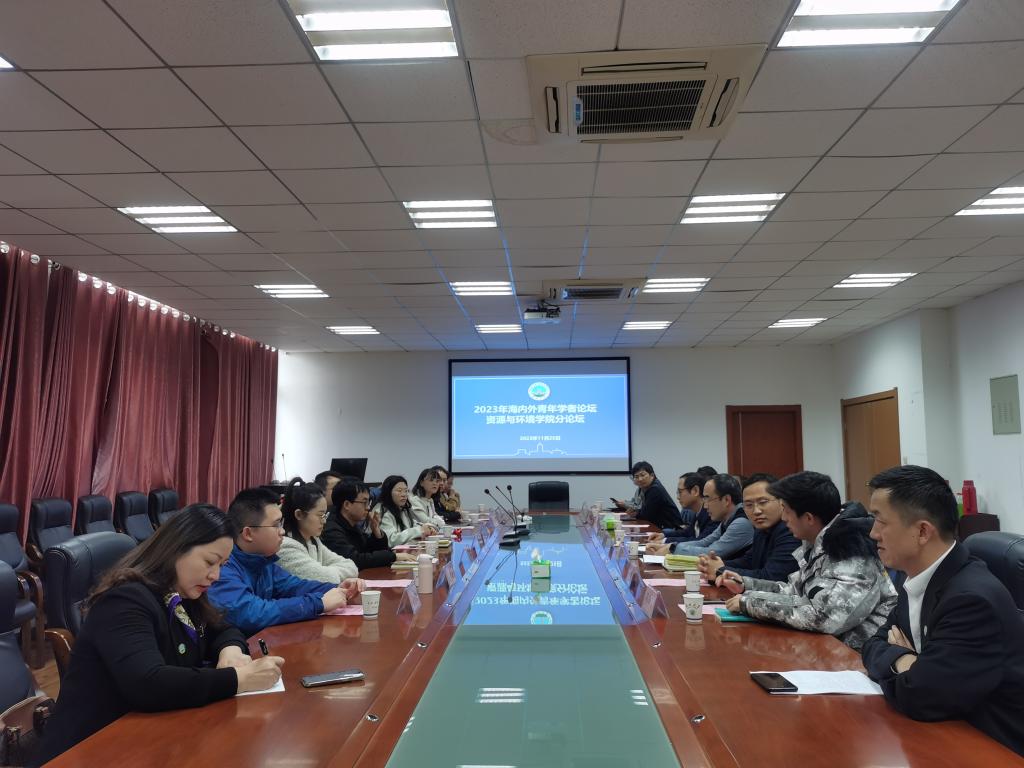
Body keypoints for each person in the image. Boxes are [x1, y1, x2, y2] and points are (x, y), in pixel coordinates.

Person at [35, 505, 285, 765]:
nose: (215, 575)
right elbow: (148, 683)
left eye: (222, 565)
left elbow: (223, 628)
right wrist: (238, 679)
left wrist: (229, 650)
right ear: (177, 548)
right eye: (210, 562)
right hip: (90, 749)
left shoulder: (183, 591)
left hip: (149, 737)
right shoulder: (124, 601)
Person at [862, 465, 1024, 756]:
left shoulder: (971, 601)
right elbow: (872, 644)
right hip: (944, 734)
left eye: (880, 521)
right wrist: (905, 661)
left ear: (922, 531)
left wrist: (911, 667)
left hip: (992, 749)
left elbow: (920, 695)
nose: (873, 533)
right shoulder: (920, 578)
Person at [720, 471, 896, 651]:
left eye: (786, 511)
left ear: (809, 518)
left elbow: (824, 618)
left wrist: (750, 603)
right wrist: (747, 586)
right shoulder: (818, 544)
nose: (783, 518)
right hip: (826, 650)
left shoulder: (851, 551)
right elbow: (795, 591)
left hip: (859, 658)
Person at [208, 487, 361, 635]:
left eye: (281, 524)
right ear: (248, 533)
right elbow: (250, 613)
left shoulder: (263, 561)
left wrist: (339, 589)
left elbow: (295, 586)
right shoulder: (223, 567)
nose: (282, 531)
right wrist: (318, 603)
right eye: (275, 525)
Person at [698, 474, 800, 583]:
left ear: (781, 501)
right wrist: (714, 565)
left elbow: (772, 577)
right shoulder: (760, 530)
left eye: (763, 502)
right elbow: (749, 561)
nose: (756, 511)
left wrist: (720, 570)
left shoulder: (790, 530)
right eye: (749, 505)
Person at [649, 474, 753, 558]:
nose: (705, 505)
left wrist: (672, 549)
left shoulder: (741, 523)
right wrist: (670, 546)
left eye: (708, 498)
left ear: (726, 500)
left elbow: (711, 552)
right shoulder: (727, 519)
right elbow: (703, 542)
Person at [277, 479, 360, 583]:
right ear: (299, 514)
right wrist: (329, 573)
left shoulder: (313, 540)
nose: (324, 521)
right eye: (320, 515)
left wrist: (327, 572)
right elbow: (325, 578)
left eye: (325, 515)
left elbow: (351, 567)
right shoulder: (285, 546)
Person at [321, 480, 417, 569]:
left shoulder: (352, 524)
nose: (368, 507)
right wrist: (393, 556)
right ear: (347, 505)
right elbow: (354, 559)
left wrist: (377, 533)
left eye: (369, 502)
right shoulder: (331, 530)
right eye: (364, 502)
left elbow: (368, 551)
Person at [376, 474, 438, 546]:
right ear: (388, 492)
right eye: (399, 491)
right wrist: (419, 530)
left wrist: (427, 528)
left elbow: (412, 525)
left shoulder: (403, 509)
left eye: (406, 491)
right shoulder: (383, 512)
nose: (404, 494)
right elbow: (391, 540)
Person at [629, 461, 684, 529]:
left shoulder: (655, 489)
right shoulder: (646, 488)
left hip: (672, 528)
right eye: (636, 476)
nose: (640, 479)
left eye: (642, 475)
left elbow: (646, 516)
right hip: (662, 526)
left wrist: (635, 513)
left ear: (652, 475)